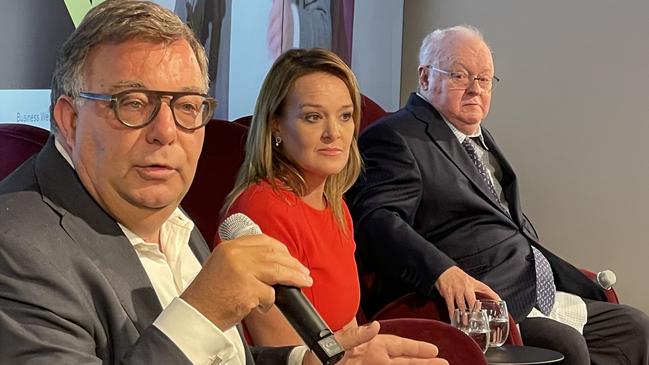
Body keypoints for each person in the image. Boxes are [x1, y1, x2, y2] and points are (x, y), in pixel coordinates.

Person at [0, 1, 447, 364]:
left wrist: (308, 363)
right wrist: (204, 310)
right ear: (69, 119)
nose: (166, 131)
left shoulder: (170, 218)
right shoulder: (16, 249)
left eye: (188, 106)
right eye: (133, 104)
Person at [347, 24, 649, 364]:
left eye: (484, 79)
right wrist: (442, 272)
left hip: (531, 289)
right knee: (563, 345)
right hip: (477, 303)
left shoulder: (478, 138)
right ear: (425, 77)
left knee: (634, 327)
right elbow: (378, 220)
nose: (476, 90)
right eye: (460, 76)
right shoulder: (396, 136)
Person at [220, 48, 362, 346]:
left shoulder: (336, 205)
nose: (334, 133)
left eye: (345, 116)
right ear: (275, 125)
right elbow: (284, 352)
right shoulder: (262, 210)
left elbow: (348, 327)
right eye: (313, 117)